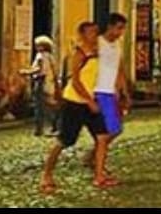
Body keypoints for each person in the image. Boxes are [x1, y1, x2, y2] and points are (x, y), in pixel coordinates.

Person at [39, 22, 107, 194]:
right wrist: (89, 101)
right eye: (91, 32)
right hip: (75, 102)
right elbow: (75, 81)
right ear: (83, 34)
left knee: (102, 137)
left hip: (92, 101)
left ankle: (99, 175)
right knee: (65, 140)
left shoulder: (99, 53)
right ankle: (46, 175)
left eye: (96, 32)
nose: (95, 35)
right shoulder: (79, 53)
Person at [94, 13, 130, 185]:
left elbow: (120, 68)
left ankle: (94, 160)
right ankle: (99, 172)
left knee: (115, 130)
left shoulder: (117, 45)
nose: (120, 32)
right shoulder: (97, 43)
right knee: (105, 133)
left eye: (122, 28)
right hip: (98, 91)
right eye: (119, 28)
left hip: (111, 92)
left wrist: (124, 91)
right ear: (109, 26)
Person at [21, 36, 58, 137]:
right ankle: (55, 125)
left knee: (39, 106)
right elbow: (54, 71)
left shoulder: (40, 56)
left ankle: (39, 129)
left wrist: (26, 72)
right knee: (49, 105)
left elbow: (38, 68)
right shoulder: (50, 56)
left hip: (40, 81)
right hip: (49, 82)